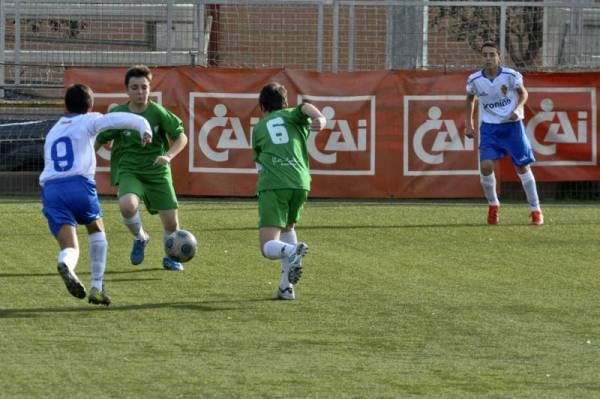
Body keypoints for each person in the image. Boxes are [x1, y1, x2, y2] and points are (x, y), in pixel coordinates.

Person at [40, 83, 152, 305]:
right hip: (79, 185)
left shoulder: (53, 131)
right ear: (90, 105)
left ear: (66, 106)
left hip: (51, 190)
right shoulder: (89, 120)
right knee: (96, 229)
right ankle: (97, 286)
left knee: (71, 247)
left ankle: (67, 264)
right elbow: (119, 119)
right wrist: (144, 127)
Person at [95, 65, 189, 271]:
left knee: (171, 226)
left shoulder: (157, 112)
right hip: (130, 169)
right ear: (127, 90)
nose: (140, 92)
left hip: (157, 171)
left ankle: (171, 257)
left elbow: (181, 136)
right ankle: (140, 238)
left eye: (144, 87)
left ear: (150, 89)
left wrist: (168, 156)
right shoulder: (117, 113)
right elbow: (99, 139)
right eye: (135, 88)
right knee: (127, 206)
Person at [251, 82, 326, 300]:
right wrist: (320, 118)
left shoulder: (259, 127)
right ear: (285, 103)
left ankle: (292, 251)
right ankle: (286, 288)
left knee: (268, 246)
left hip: (274, 183)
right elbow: (306, 108)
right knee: (287, 229)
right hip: (301, 182)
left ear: (262, 107)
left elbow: (259, 165)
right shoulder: (294, 114)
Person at [465, 42, 543, 226]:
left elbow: (523, 94)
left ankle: (536, 209)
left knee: (522, 168)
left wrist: (517, 108)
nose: (488, 58)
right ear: (481, 57)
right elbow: (470, 100)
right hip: (490, 128)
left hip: (512, 126)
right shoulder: (474, 79)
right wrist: (468, 124)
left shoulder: (511, 75)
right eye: (485, 55)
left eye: (492, 54)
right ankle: (493, 205)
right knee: (485, 166)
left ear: (499, 56)